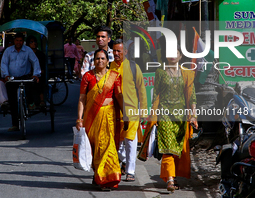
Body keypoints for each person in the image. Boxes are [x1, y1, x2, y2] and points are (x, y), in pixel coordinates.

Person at [141, 47, 198, 193]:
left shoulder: (187, 74)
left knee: (178, 149)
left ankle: (173, 176)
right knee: (167, 149)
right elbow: (156, 95)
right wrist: (153, 115)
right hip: (164, 114)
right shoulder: (160, 72)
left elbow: (191, 96)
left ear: (180, 57)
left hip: (181, 117)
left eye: (176, 54)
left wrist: (193, 115)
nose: (172, 56)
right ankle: (171, 180)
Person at [76, 49, 127, 191]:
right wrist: (79, 118)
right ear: (94, 61)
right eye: (97, 58)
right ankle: (97, 174)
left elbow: (119, 97)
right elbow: (82, 98)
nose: (100, 61)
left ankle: (106, 180)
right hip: (91, 117)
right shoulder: (88, 76)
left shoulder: (115, 76)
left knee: (107, 147)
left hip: (108, 116)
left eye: (102, 58)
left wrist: (126, 114)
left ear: (107, 61)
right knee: (94, 148)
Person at [110, 39, 147, 182]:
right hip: (113, 111)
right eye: (114, 51)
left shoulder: (133, 67)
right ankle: (123, 161)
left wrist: (143, 111)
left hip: (131, 111)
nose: (116, 53)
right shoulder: (109, 67)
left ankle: (130, 171)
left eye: (119, 51)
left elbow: (142, 90)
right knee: (117, 143)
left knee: (130, 141)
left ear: (125, 52)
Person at [0, 33, 41, 131]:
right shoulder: (8, 51)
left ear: (23, 41)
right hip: (12, 78)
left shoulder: (28, 50)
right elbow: (4, 63)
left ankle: (31, 103)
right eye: (17, 40)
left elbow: (35, 62)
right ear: (14, 41)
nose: (19, 42)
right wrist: (6, 75)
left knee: (31, 86)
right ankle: (15, 124)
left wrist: (36, 74)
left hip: (25, 76)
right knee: (13, 100)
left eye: (21, 41)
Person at [26, 35, 46, 108]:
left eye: (34, 42)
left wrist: (37, 73)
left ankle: (42, 100)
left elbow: (43, 68)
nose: (34, 43)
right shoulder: (26, 54)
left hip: (39, 74)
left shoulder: (40, 54)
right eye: (31, 42)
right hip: (28, 74)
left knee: (39, 82)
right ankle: (29, 101)